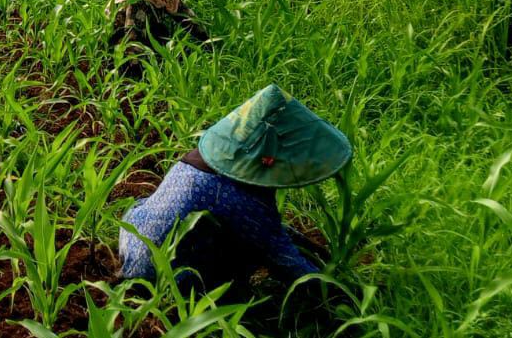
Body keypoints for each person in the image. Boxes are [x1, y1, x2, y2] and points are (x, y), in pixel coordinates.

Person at [119, 85, 349, 324]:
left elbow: (268, 227)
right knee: (250, 247)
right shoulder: (243, 197)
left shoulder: (201, 160)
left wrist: (309, 245)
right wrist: (335, 293)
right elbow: (283, 256)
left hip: (133, 240)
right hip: (161, 276)